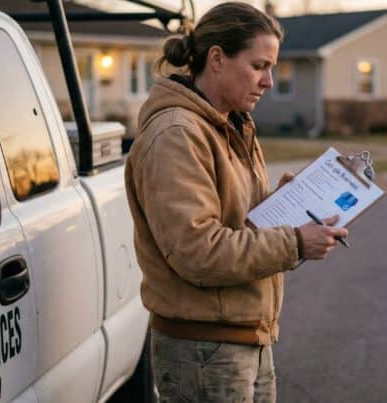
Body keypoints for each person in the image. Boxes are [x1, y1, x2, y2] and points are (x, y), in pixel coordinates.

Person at [124, 2, 348, 402]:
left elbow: (233, 223)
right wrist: (294, 242)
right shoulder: (177, 134)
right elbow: (197, 251)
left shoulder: (230, 124)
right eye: (259, 66)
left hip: (243, 337)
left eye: (272, 68)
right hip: (205, 350)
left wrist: (281, 207)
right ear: (217, 59)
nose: (269, 82)